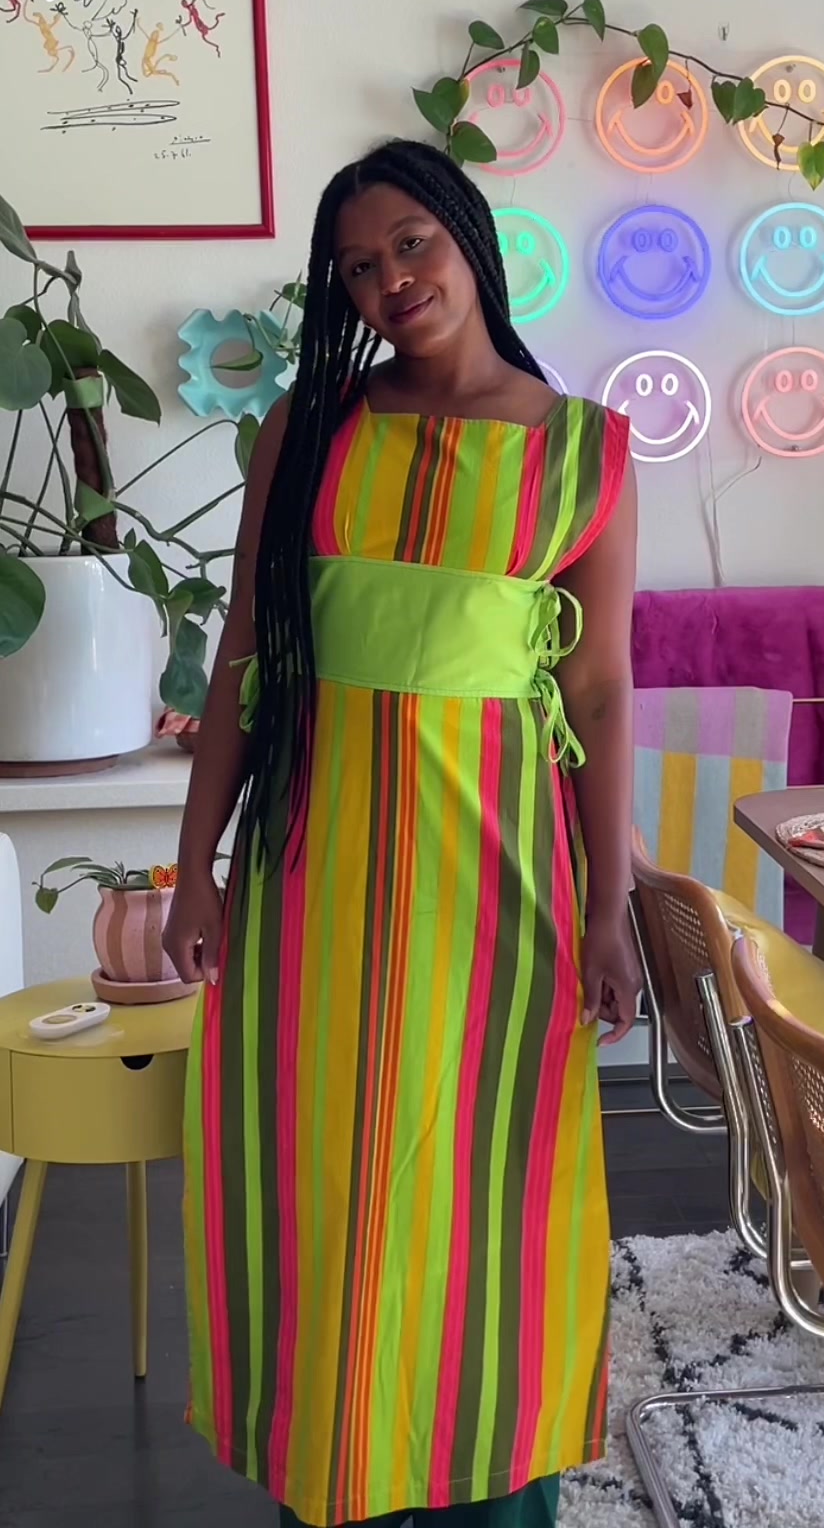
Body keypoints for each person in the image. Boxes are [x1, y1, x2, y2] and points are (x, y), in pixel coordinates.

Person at [164, 138, 641, 1528]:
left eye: (411, 245)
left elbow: (601, 692)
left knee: (494, 1192)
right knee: (323, 1181)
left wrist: (610, 907)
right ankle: (334, 1471)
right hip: (312, 876)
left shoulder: (584, 451)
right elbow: (247, 653)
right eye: (359, 267)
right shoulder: (308, 433)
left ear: (468, 239)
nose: (391, 282)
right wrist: (194, 868)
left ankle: (494, 1486)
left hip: (504, 887)